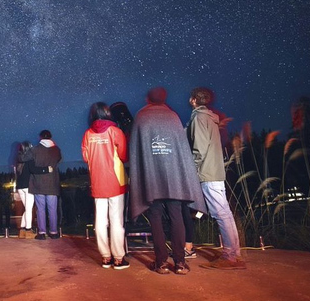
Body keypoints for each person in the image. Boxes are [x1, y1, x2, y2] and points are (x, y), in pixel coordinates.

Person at [129, 87, 206, 275]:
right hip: (174, 178)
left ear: (148, 98)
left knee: (155, 217)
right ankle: (180, 263)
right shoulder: (173, 117)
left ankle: (161, 262)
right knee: (177, 216)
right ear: (164, 99)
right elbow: (182, 150)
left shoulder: (141, 117)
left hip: (151, 177)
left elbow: (135, 149)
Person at [188, 87, 246, 270]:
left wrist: (194, 171)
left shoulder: (198, 118)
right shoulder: (211, 118)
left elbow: (199, 148)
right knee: (225, 213)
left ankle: (229, 257)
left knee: (220, 214)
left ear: (193, 100)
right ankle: (234, 254)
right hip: (216, 170)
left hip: (207, 172)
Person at [82, 102, 129, 269]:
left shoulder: (87, 134)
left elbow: (86, 157)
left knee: (100, 221)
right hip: (115, 182)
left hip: (97, 182)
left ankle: (105, 257)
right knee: (116, 220)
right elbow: (123, 155)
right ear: (108, 113)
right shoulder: (116, 131)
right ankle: (118, 258)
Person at [28, 130, 62, 240]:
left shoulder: (35, 150)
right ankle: (54, 232)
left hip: (38, 183)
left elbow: (30, 164)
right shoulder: (56, 150)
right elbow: (59, 160)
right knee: (53, 209)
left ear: (41, 137)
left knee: (40, 209)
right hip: (52, 182)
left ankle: (42, 232)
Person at [15, 142, 51, 238]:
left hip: (20, 187)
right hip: (28, 187)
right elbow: (34, 170)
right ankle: (28, 230)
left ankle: (22, 230)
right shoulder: (29, 159)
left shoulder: (19, 159)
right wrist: (46, 169)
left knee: (27, 208)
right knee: (29, 208)